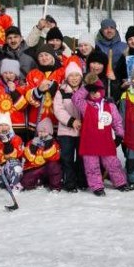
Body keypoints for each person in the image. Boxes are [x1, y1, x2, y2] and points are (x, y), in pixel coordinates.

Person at [73, 74, 131, 196]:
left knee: (113, 163)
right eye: (92, 92)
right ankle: (97, 187)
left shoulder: (110, 105)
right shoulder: (86, 105)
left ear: (102, 91)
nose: (95, 94)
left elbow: (117, 121)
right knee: (91, 166)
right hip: (89, 141)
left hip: (106, 140)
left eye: (97, 91)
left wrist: (119, 135)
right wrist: (86, 87)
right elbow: (75, 99)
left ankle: (120, 182)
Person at [52, 63, 85, 193]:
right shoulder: (61, 91)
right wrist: (71, 121)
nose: (74, 78)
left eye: (77, 75)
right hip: (66, 131)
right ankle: (69, 183)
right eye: (71, 75)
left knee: (82, 158)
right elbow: (58, 110)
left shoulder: (85, 91)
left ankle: (82, 181)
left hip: (83, 131)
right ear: (66, 77)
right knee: (67, 158)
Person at [21, 118, 63, 192]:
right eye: (40, 131)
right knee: (26, 183)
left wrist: (47, 147)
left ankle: (55, 187)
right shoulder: (32, 142)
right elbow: (28, 157)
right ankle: (39, 181)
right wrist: (32, 148)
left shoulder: (54, 143)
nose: (42, 133)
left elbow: (55, 157)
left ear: (49, 132)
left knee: (54, 166)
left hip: (48, 167)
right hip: (35, 167)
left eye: (44, 131)